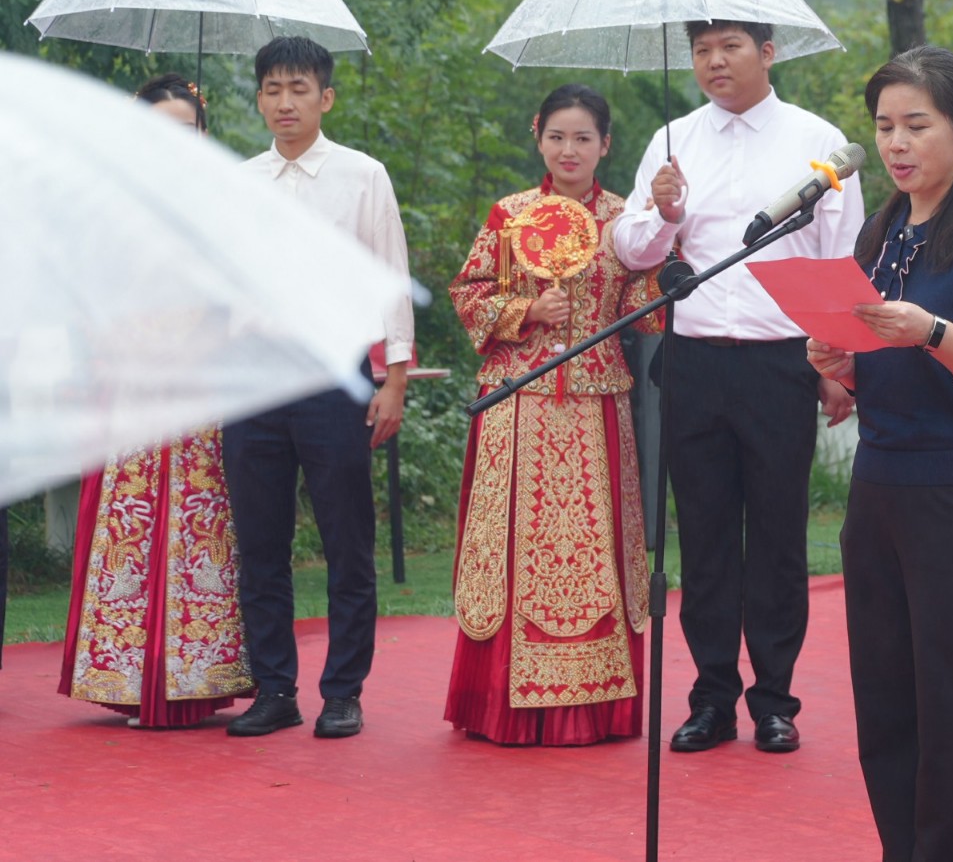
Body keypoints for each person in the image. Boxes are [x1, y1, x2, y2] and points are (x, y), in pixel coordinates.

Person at [807, 45, 953, 862]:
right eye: (885, 127)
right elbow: (884, 370)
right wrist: (840, 364)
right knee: (890, 702)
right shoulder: (880, 231)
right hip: (880, 490)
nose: (897, 144)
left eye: (917, 125)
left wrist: (931, 330)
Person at [608, 19, 862, 756]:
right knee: (705, 536)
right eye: (701, 51)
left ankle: (775, 701)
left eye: (730, 47)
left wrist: (837, 365)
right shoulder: (673, 139)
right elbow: (630, 249)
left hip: (781, 362)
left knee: (779, 535)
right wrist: (664, 213)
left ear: (767, 52)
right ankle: (711, 697)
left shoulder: (818, 140)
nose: (714, 62)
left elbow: (841, 256)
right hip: (694, 360)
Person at [444, 84, 661, 745]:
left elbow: (646, 309)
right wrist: (526, 310)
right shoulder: (510, 216)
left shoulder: (627, 221)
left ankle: (598, 702)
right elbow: (468, 293)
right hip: (519, 400)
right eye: (557, 136)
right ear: (538, 137)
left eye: (583, 138)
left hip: (597, 405)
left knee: (597, 555)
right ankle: (500, 706)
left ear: (606, 145)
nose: (570, 150)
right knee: (512, 553)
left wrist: (666, 250)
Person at [222, 36, 413, 740]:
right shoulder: (239, 181)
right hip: (254, 378)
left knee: (346, 541)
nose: (285, 103)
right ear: (259, 99)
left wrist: (394, 379)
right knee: (260, 545)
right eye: (272, 89)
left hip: (335, 376)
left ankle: (342, 691)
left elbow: (391, 276)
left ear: (325, 97)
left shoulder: (363, 176)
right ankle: (275, 689)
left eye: (298, 89)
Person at [59, 74, 253, 726]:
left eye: (187, 130)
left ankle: (200, 674)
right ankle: (126, 676)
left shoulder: (228, 207)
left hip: (204, 388)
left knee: (202, 526)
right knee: (131, 526)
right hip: (134, 384)